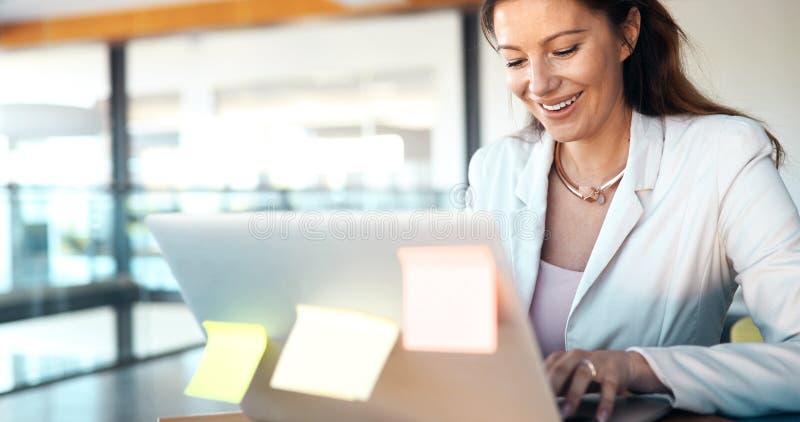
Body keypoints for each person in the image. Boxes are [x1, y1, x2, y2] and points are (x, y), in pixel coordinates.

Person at [467, 0, 800, 420]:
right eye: (515, 60)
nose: (539, 83)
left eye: (565, 50)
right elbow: (464, 347)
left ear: (626, 34)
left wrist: (637, 367)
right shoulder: (493, 167)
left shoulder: (724, 154)